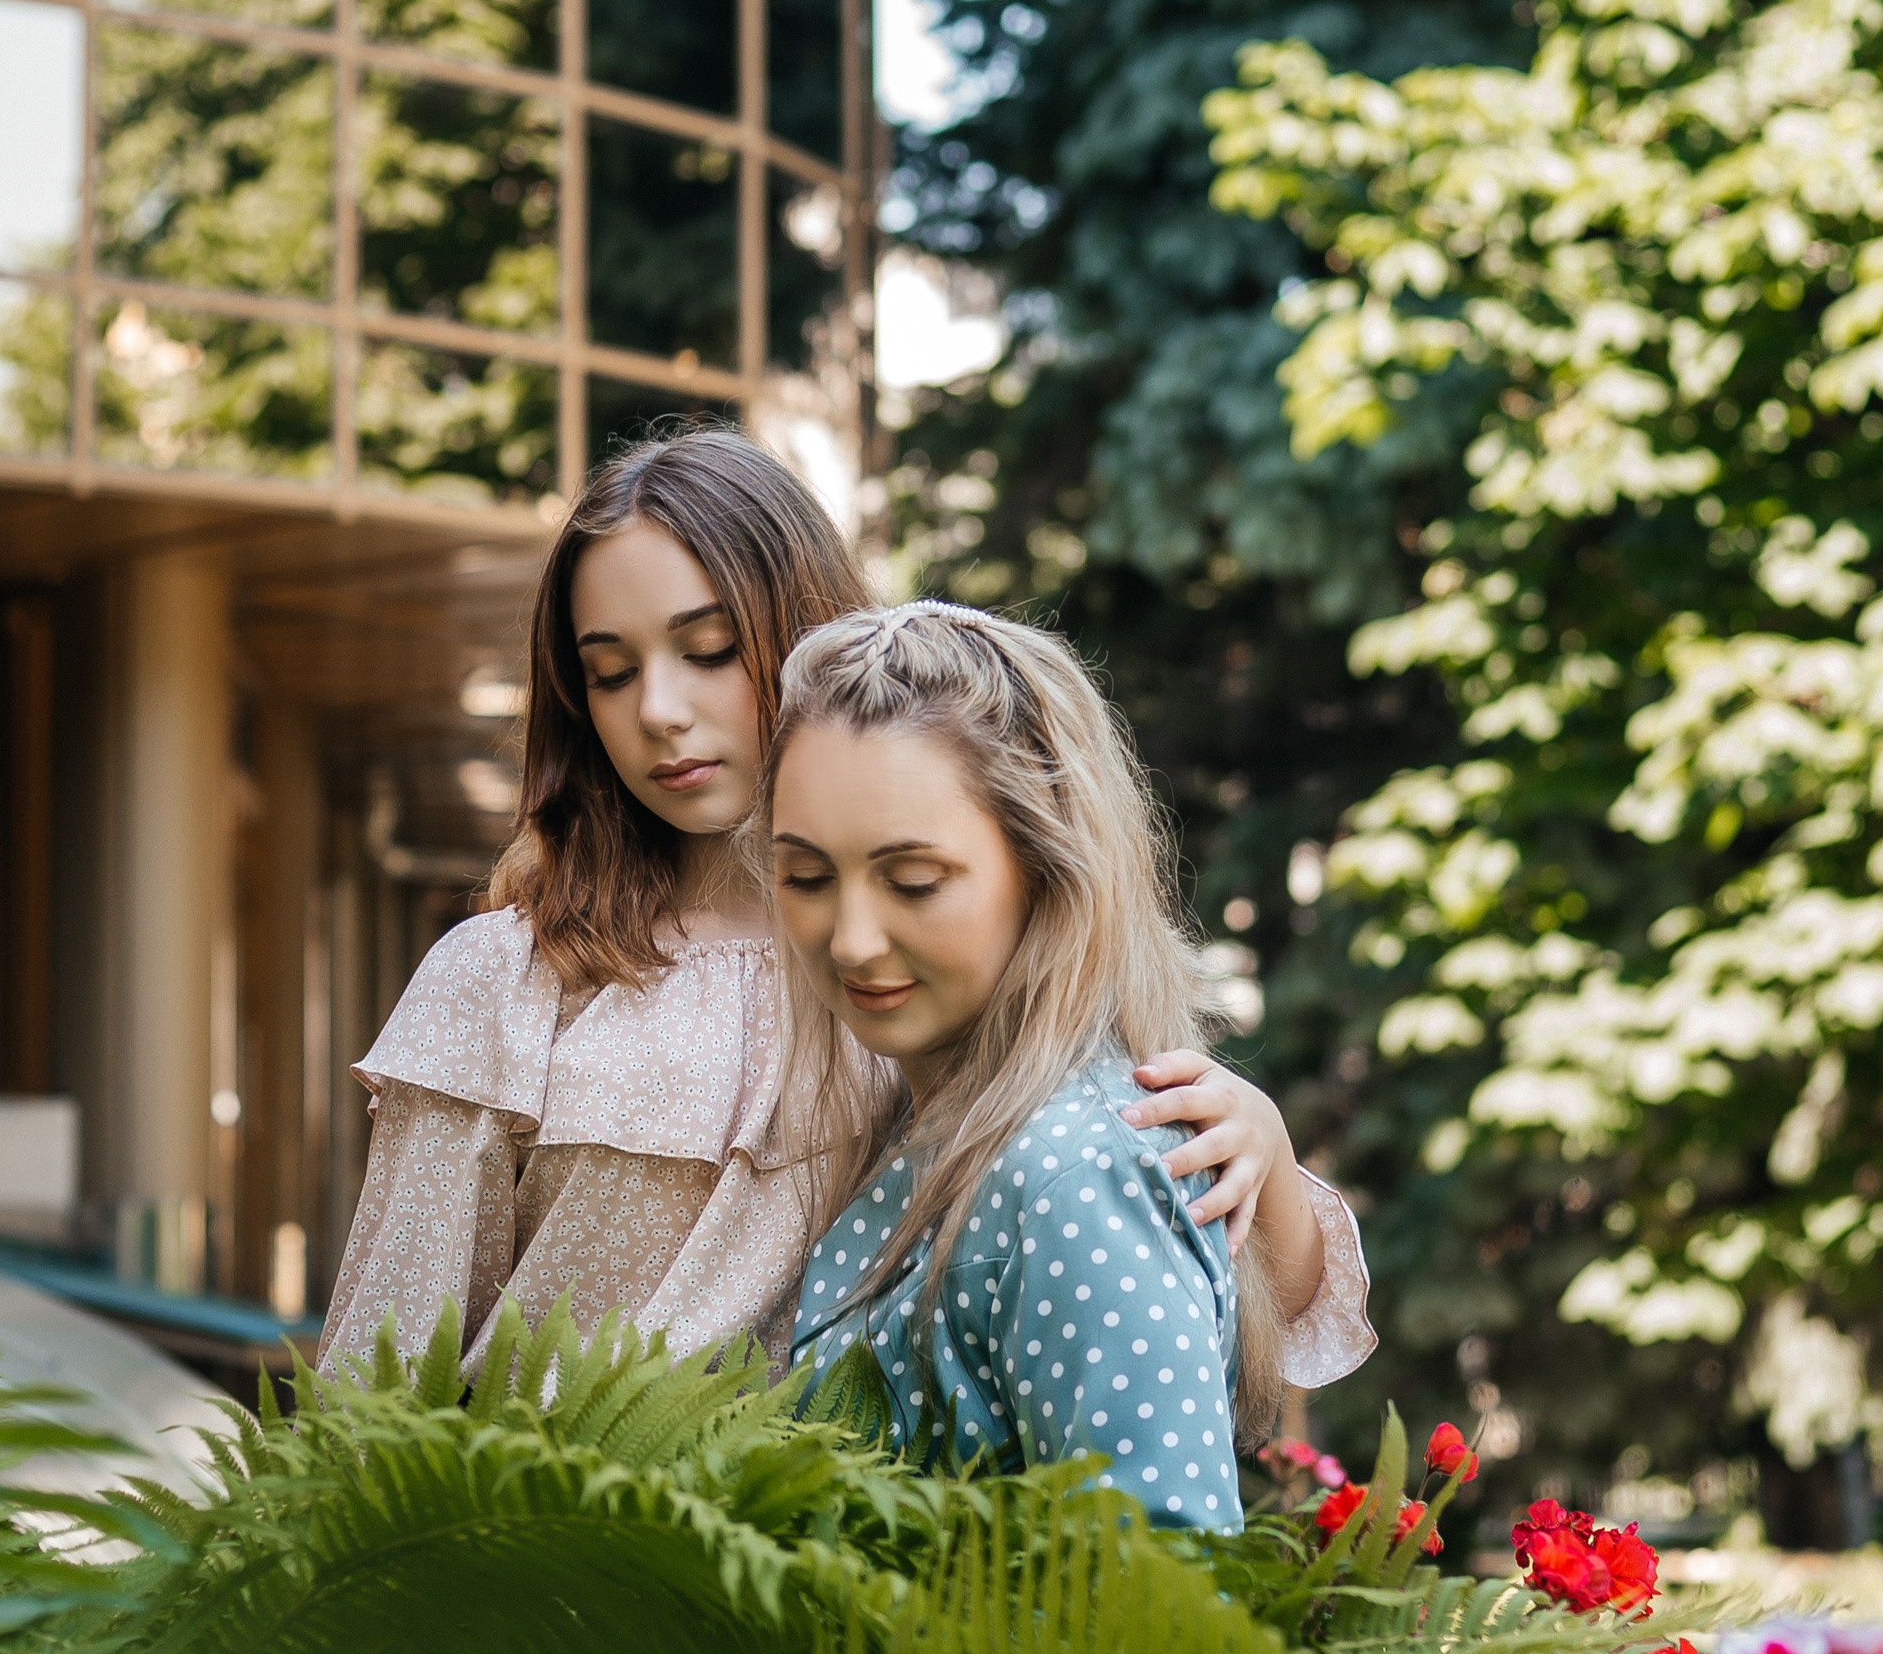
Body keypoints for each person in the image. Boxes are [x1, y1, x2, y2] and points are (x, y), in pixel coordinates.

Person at [319, 428, 1373, 1385]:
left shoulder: (949, 955)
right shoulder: (506, 979)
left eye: (710, 650)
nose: (658, 712)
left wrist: (1263, 1154)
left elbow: (1195, 1326)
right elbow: (373, 1396)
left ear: (808, 629)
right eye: (608, 672)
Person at [777, 601, 1374, 1529]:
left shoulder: (1076, 1172)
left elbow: (1152, 1608)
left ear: (1049, 867)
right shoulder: (914, 1113)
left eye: (914, 881)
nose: (851, 941)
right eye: (806, 877)